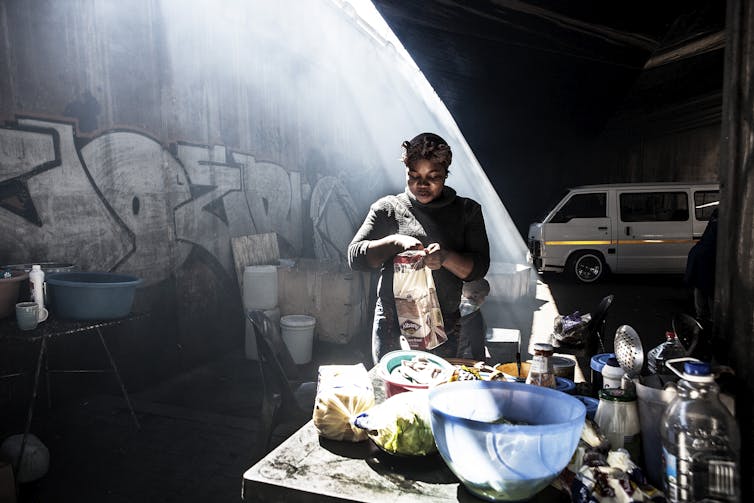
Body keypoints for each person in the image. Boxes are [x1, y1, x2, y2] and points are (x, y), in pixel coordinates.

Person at [348, 132, 490, 364]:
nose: (421, 184)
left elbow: (479, 267)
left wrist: (445, 257)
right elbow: (355, 257)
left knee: (438, 389)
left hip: (444, 324)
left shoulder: (466, 211)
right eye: (413, 176)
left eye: (432, 176)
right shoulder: (388, 209)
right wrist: (395, 242)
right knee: (395, 388)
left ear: (446, 173)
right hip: (392, 326)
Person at [685, 207, 718, 324]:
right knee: (709, 289)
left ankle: (701, 317)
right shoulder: (720, 225)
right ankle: (711, 319)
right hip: (706, 258)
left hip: (698, 255)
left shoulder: (713, 223)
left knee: (700, 287)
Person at [457, 278, 491, 361]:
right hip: (457, 355)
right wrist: (481, 362)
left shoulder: (454, 304)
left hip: (440, 351)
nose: (484, 300)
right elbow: (477, 343)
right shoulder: (475, 315)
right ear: (475, 296)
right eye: (484, 296)